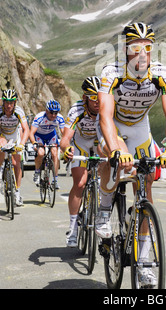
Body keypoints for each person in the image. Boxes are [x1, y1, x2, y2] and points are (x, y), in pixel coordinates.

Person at [96, 22, 166, 286]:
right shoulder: (112, 72)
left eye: (147, 48)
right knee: (117, 161)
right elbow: (105, 116)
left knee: (145, 187)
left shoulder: (161, 73)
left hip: (141, 128)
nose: (142, 54)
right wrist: (117, 148)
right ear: (126, 49)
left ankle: (144, 262)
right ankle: (104, 207)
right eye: (135, 48)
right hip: (115, 126)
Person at [60, 76, 111, 247]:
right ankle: (73, 227)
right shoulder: (77, 110)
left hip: (98, 142)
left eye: (99, 97)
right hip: (81, 143)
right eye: (92, 98)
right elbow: (66, 138)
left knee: (106, 167)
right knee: (80, 183)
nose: (97, 102)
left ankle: (103, 213)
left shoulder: (107, 106)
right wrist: (66, 149)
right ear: (85, 98)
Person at [0, 88, 29, 206]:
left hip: (15, 135)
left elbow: (26, 129)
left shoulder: (19, 111)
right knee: (1, 151)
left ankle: (17, 192)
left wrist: (22, 144)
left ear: (15, 102)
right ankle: (1, 175)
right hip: (2, 134)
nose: (8, 105)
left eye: (11, 102)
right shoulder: (0, 111)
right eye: (6, 102)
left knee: (16, 163)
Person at [29, 100, 65, 188]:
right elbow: (31, 133)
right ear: (46, 111)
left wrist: (65, 144)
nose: (53, 115)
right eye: (51, 112)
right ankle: (37, 172)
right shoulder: (39, 117)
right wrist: (34, 143)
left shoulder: (60, 118)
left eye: (56, 113)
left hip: (51, 135)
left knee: (55, 153)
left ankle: (55, 180)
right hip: (39, 135)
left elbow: (64, 133)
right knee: (41, 153)